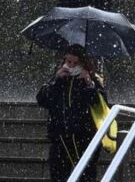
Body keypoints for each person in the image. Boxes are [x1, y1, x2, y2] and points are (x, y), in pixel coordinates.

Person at [36, 44, 105, 182]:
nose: (72, 66)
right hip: (60, 137)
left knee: (87, 176)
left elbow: (101, 104)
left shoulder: (93, 79)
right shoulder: (58, 77)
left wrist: (89, 83)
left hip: (85, 137)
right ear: (64, 61)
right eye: (69, 62)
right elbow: (42, 99)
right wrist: (56, 81)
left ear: (83, 63)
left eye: (76, 63)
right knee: (58, 175)